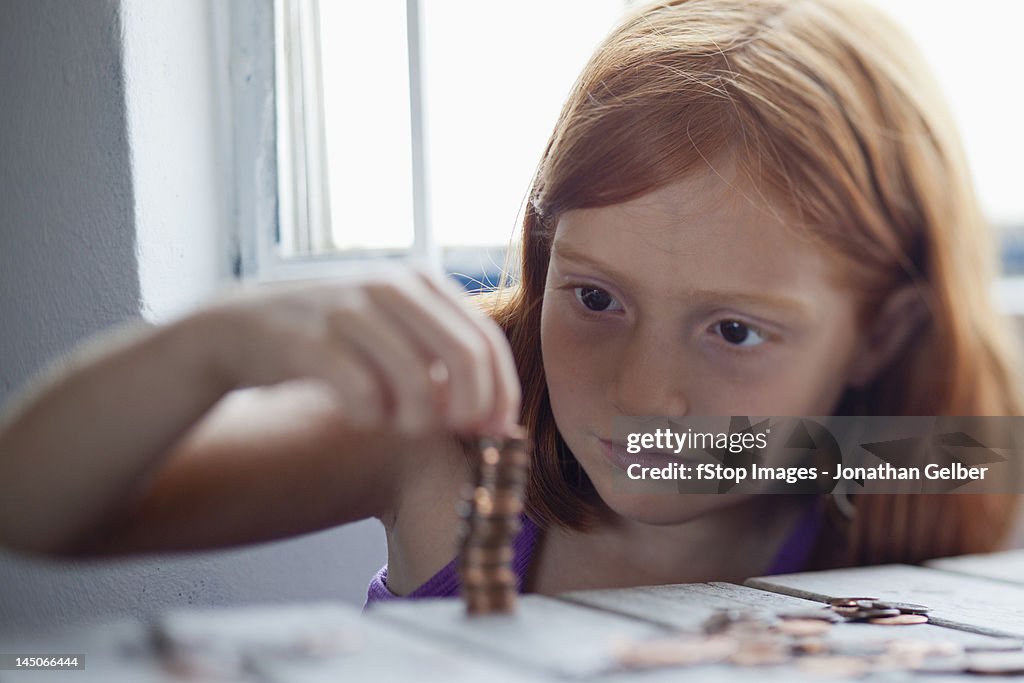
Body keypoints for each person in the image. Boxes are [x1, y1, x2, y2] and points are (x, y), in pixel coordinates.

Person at [0, 0, 1020, 608]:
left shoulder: (931, 460)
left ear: (880, 329)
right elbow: (32, 509)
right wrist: (211, 349)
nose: (644, 392)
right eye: (595, 296)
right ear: (542, 249)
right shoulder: (447, 432)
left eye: (734, 329)